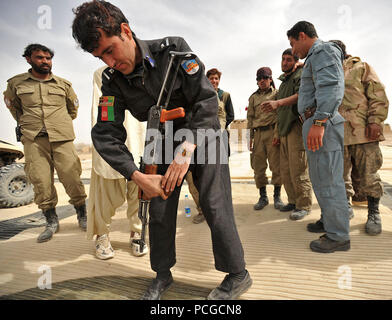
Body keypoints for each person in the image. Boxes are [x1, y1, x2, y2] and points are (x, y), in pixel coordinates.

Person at [71, 0, 251, 300]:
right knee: (158, 210)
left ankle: (238, 274)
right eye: (100, 56)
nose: (109, 62)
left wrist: (185, 151)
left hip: (203, 134)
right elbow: (105, 133)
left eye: (110, 50)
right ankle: (162, 274)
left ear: (125, 31)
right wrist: (136, 175)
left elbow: (207, 102)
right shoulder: (112, 81)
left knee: (214, 203)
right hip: (160, 139)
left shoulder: (174, 51)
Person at [3, 44, 87, 243]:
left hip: (61, 137)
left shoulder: (63, 84)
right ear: (28, 59)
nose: (45, 61)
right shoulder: (16, 83)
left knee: (72, 176)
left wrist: (57, 123)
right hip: (33, 139)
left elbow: (72, 110)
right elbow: (14, 109)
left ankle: (82, 214)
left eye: (48, 58)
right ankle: (51, 221)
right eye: (40, 58)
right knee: (40, 180)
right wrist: (29, 125)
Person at [286, 21, 350, 253]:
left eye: (293, 44)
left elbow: (332, 86)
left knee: (329, 179)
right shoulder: (314, 57)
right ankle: (329, 221)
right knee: (321, 178)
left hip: (322, 123)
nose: (293, 51)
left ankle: (338, 236)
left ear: (302, 36)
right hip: (314, 122)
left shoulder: (323, 51)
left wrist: (321, 121)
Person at [330, 40, 389, 235]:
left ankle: (373, 212)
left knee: (369, 174)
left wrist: (375, 121)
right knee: (339, 176)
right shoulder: (328, 72)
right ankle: (345, 207)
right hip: (337, 134)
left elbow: (378, 94)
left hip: (362, 132)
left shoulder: (361, 67)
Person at [88, 66, 147, 259]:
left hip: (140, 137)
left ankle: (137, 232)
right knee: (105, 195)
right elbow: (102, 107)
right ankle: (102, 235)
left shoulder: (143, 70)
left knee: (139, 193)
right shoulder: (102, 73)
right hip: (113, 138)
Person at [260, 49, 313, 220]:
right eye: (283, 59)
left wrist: (278, 102)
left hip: (296, 127)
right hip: (283, 130)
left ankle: (304, 205)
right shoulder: (284, 82)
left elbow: (301, 95)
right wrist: (277, 132)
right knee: (286, 170)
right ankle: (292, 201)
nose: (284, 62)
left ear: (296, 62)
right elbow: (279, 111)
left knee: (299, 169)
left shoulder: (300, 75)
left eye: (289, 59)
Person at [185, 67, 235, 224]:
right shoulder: (197, 96)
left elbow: (230, 115)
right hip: (198, 142)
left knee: (217, 178)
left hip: (217, 141)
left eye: (216, 79)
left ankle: (218, 210)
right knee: (193, 178)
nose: (214, 81)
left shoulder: (224, 96)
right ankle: (202, 210)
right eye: (211, 78)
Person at [247, 67, 284, 211]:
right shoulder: (253, 98)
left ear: (270, 78)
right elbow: (249, 118)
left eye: (264, 78)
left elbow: (280, 115)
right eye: (259, 78)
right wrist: (248, 139)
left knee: (276, 165)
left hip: (272, 132)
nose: (262, 81)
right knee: (258, 167)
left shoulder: (277, 94)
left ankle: (277, 196)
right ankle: (263, 197)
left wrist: (277, 134)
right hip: (258, 135)